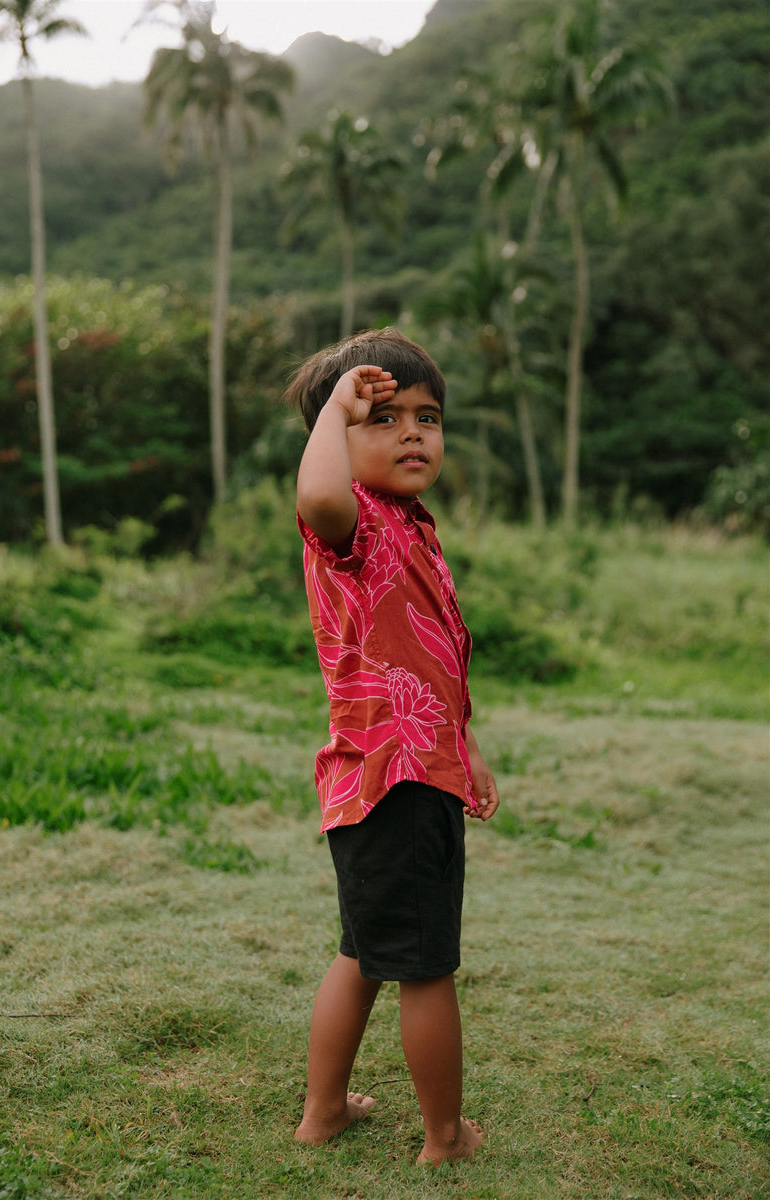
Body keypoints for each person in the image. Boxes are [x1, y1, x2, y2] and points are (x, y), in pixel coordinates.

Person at [286, 327, 500, 1165]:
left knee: (365, 952)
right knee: (424, 967)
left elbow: (434, 656)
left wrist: (467, 744)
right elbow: (316, 497)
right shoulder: (354, 525)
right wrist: (336, 411)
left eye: (428, 416)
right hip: (397, 782)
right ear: (337, 439)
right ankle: (446, 1137)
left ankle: (326, 1109)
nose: (413, 432)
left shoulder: (411, 525)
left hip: (405, 771)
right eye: (383, 417)